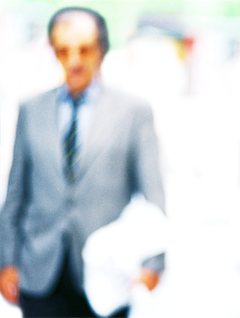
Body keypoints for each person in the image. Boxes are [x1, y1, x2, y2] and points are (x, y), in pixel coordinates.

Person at [0, 6, 165, 317]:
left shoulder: (133, 112)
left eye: (84, 50)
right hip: (39, 272)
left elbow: (153, 196)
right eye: (63, 51)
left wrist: (153, 263)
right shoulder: (31, 110)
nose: (74, 61)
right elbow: (15, 194)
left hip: (108, 277)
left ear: (101, 50)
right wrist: (6, 260)